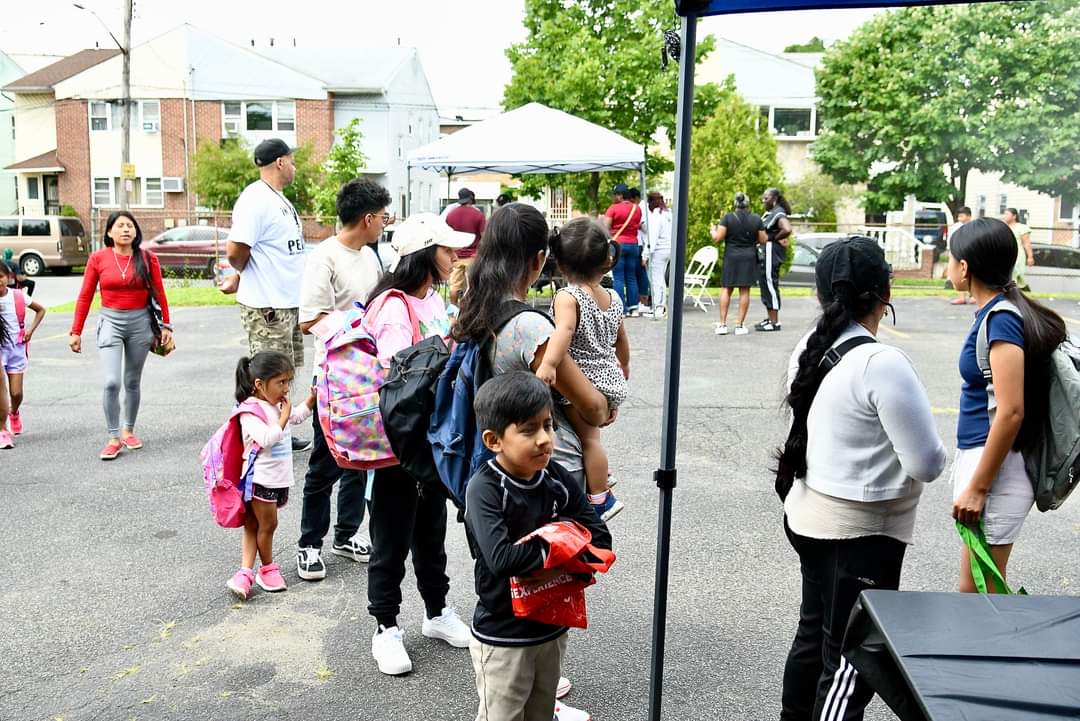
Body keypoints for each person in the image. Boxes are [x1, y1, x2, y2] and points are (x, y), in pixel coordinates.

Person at [777, 237, 946, 721]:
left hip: (809, 514)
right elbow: (926, 463)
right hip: (862, 532)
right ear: (885, 291)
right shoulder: (881, 363)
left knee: (814, 633)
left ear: (820, 292)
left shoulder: (810, 348)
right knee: (849, 657)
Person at [454, 202, 610, 721]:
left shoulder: (475, 306)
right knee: (532, 586)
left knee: (523, 593)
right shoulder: (528, 325)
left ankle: (540, 686)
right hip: (543, 476)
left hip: (498, 463)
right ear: (539, 258)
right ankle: (535, 687)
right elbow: (591, 405)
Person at [465, 370, 613, 721]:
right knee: (502, 716)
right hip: (503, 634)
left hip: (552, 625)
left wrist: (553, 552)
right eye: (528, 429)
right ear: (494, 440)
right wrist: (563, 547)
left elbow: (601, 540)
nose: (544, 439)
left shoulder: (557, 478)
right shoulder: (485, 489)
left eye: (548, 425)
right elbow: (503, 559)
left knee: (541, 713)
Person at [364, 213, 475, 676]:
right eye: (447, 250)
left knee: (430, 531)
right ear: (425, 254)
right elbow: (396, 374)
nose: (455, 257)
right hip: (397, 443)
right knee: (390, 536)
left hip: (428, 439)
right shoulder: (393, 305)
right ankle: (385, 627)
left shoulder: (430, 300)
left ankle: (436, 612)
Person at [947, 218, 1066, 594]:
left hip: (998, 472)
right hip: (991, 465)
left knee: (979, 595)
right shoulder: (998, 314)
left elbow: (1011, 410)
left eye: (951, 260)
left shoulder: (1002, 320)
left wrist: (979, 487)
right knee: (979, 592)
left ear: (964, 268)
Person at [294, 179, 391, 581]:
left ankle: (346, 534)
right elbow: (308, 320)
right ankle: (308, 544)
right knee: (324, 464)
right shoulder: (325, 258)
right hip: (334, 378)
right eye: (383, 217)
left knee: (360, 460)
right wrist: (357, 325)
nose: (385, 224)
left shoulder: (372, 256)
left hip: (369, 376)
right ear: (367, 218)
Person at [537, 217, 628, 521]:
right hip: (608, 377)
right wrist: (624, 367)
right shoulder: (613, 296)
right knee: (591, 440)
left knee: (589, 441)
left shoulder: (568, 296)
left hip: (585, 379)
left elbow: (563, 331)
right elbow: (621, 338)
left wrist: (549, 363)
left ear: (561, 264)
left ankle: (602, 498)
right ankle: (601, 474)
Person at [224, 138, 311, 452]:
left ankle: (281, 428)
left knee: (285, 371)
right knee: (268, 373)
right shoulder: (255, 199)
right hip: (267, 305)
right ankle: (262, 432)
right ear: (280, 162)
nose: (294, 166)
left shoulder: (279, 199)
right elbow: (236, 249)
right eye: (292, 159)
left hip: (286, 302)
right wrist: (242, 271)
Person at [69, 211, 172, 460]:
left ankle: (128, 431)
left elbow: (159, 292)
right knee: (111, 382)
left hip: (140, 324)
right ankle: (113, 437)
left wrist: (167, 326)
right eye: (120, 226)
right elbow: (85, 295)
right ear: (109, 232)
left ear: (136, 232)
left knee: (132, 381)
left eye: (130, 226)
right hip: (110, 322)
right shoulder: (98, 258)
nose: (125, 229)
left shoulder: (147, 259)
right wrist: (76, 330)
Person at [226, 351, 316, 601]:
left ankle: (244, 573)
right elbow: (266, 438)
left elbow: (296, 416)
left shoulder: (276, 404)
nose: (286, 389)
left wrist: (310, 401)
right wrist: (284, 417)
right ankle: (267, 569)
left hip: (276, 477)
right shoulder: (250, 411)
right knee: (267, 525)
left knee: (254, 525)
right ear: (259, 384)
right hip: (260, 479)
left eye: (288, 382)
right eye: (281, 382)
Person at [0, 261, 44, 446]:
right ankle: (2, 429)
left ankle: (14, 412)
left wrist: (30, 331)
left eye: (0, 277)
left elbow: (41, 310)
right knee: (1, 391)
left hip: (16, 348)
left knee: (16, 393)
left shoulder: (17, 296)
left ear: (8, 277)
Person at [711, 192, 766, 336]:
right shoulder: (756, 219)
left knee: (726, 289)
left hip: (731, 256)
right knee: (744, 290)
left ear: (735, 204)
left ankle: (722, 325)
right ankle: (740, 325)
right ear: (748, 204)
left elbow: (718, 238)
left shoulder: (728, 218)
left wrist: (713, 231)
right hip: (748, 257)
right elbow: (763, 240)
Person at [603, 184, 644, 317]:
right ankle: (634, 308)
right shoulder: (636, 209)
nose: (613, 197)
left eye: (615, 195)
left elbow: (605, 228)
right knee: (631, 277)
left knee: (618, 277)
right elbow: (637, 226)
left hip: (618, 244)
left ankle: (621, 309)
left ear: (620, 195)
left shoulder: (613, 209)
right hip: (633, 244)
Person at [757, 187, 792, 332]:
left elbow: (787, 229)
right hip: (766, 252)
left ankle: (774, 321)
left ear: (775, 199)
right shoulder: (770, 212)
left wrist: (774, 239)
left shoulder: (778, 213)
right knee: (765, 283)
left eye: (766, 198)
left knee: (770, 283)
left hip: (772, 251)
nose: (763, 200)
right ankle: (769, 317)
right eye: (763, 198)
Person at [445, 187, 487, 305]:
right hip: (473, 256)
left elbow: (447, 235)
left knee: (454, 286)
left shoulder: (451, 215)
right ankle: (470, 310)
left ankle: (453, 310)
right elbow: (484, 236)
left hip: (456, 256)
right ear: (471, 199)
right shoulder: (478, 215)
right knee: (473, 286)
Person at [646, 192, 673, 320]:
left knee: (657, 279)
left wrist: (645, 255)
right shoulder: (669, 214)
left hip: (658, 251)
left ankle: (658, 307)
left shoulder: (657, 215)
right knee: (660, 278)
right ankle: (660, 306)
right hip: (669, 249)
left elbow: (653, 236)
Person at [626, 187, 652, 315]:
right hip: (638, 244)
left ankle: (642, 301)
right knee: (637, 275)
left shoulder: (640, 208)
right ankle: (641, 301)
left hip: (640, 244)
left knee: (639, 275)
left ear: (633, 198)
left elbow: (645, 228)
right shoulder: (643, 207)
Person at [1002, 208, 1035, 290]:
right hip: (1005, 254)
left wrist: (1030, 256)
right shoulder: (1003, 227)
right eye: (1004, 214)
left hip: (1017, 254)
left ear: (1014, 216)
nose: (1004, 216)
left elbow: (1026, 243)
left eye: (1007, 214)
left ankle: (1018, 291)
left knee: (1015, 273)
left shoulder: (1021, 227)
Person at [948, 206, 975, 306]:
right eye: (958, 216)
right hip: (958, 253)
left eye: (962, 216)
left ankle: (974, 296)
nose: (959, 218)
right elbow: (951, 240)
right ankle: (961, 297)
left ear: (968, 216)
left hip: (971, 252)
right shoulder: (955, 227)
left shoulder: (974, 226)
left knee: (973, 274)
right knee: (960, 274)